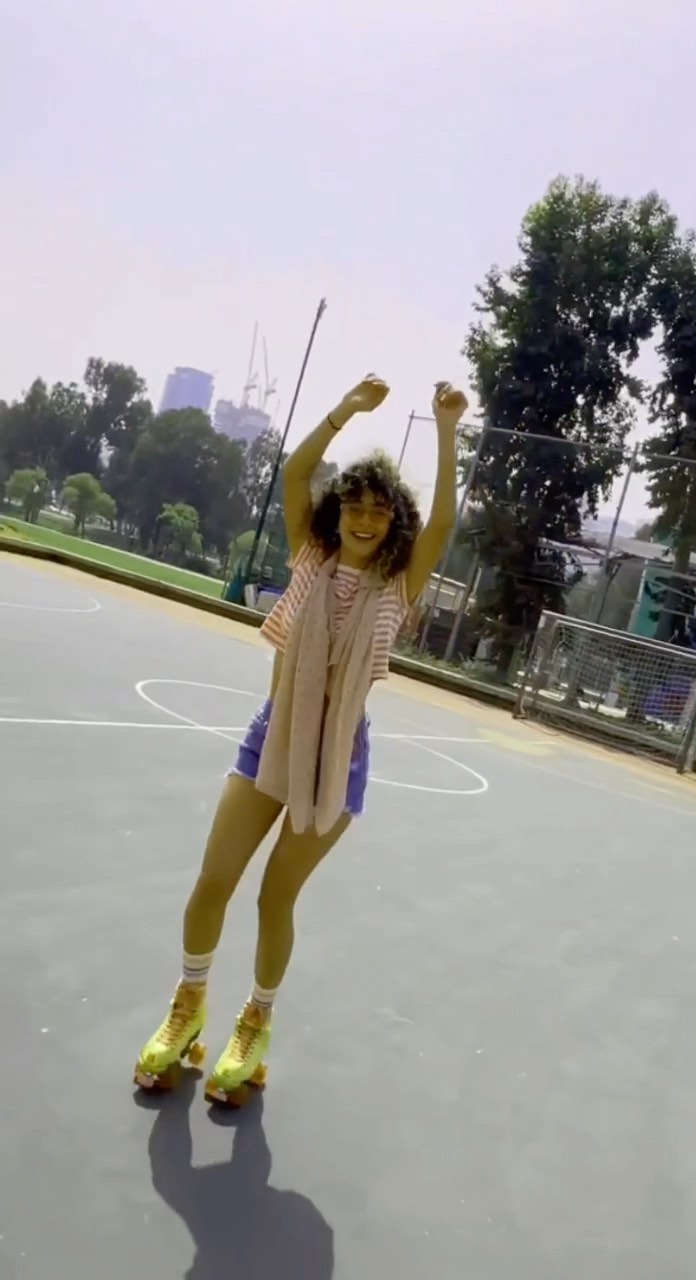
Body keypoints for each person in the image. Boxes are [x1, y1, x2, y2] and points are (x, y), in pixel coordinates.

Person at [134, 374, 468, 1103]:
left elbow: (443, 523)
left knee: (273, 900)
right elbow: (294, 473)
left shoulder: (398, 586)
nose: (365, 519)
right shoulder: (309, 557)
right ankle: (188, 1006)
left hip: (338, 759)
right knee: (213, 882)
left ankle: (255, 1024)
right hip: (271, 736)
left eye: (379, 510)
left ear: (393, 524)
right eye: (355, 505)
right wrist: (345, 410)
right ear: (337, 511)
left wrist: (446, 429)